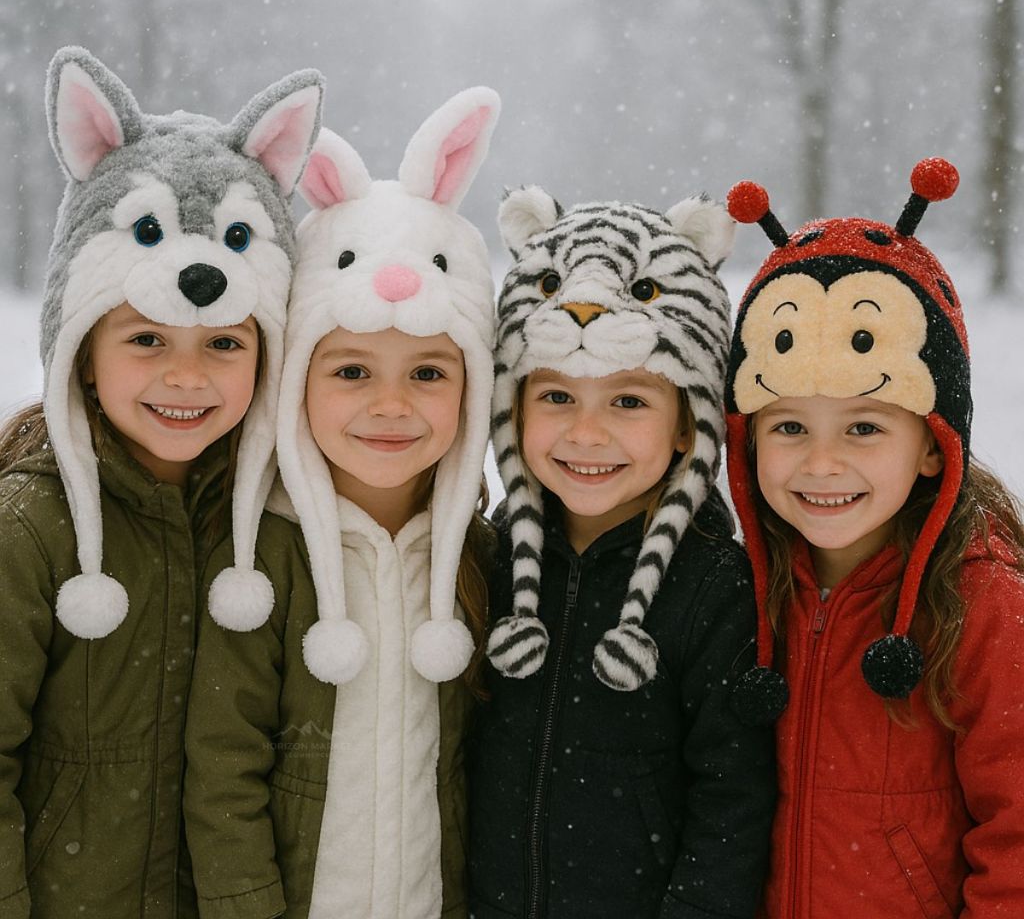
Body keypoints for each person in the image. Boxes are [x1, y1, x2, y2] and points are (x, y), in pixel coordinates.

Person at [0, 47, 323, 918]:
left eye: (223, 343)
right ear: (83, 353)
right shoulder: (30, 528)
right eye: (146, 340)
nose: (187, 378)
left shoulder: (271, 521)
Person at [184, 88, 501, 919]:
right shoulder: (258, 558)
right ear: (296, 380)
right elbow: (223, 771)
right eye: (352, 371)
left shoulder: (478, 558)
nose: (390, 406)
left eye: (428, 373)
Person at [724, 158, 1024, 918]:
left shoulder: (984, 604)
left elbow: (1017, 838)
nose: (822, 463)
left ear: (933, 444)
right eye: (789, 426)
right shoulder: (748, 595)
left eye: (863, 426)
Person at [469, 186, 776, 919]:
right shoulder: (490, 556)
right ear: (513, 407)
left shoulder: (714, 587)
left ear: (687, 426)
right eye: (556, 399)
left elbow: (731, 799)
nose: (587, 433)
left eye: (629, 401)